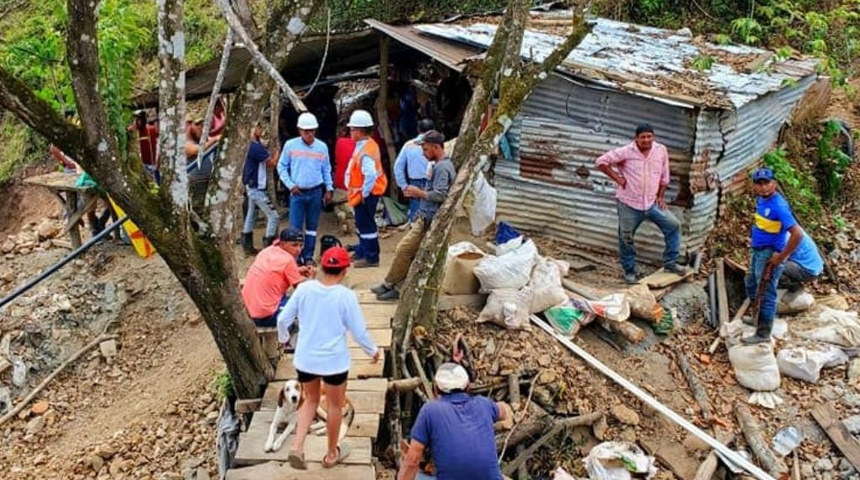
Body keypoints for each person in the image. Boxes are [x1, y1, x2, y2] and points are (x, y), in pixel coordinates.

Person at [276, 246, 381, 469]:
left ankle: (297, 447)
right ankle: (332, 453)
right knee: (334, 406)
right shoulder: (346, 297)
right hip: (334, 363)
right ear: (345, 271)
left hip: (306, 360)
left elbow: (283, 319)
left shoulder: (304, 289)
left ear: (322, 267)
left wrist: (284, 339)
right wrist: (373, 351)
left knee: (311, 400)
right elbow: (359, 331)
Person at [596, 124, 689, 284]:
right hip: (629, 204)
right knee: (626, 237)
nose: (646, 140)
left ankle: (671, 263)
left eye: (649, 136)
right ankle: (630, 271)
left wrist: (660, 196)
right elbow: (601, 161)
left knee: (673, 225)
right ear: (636, 138)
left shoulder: (660, 150)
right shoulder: (626, 151)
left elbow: (664, 176)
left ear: (653, 137)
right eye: (643, 137)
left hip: (652, 203)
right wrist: (617, 178)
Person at [372, 130, 456, 300]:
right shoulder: (437, 165)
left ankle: (392, 284)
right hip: (424, 216)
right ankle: (394, 285)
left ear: (436, 147)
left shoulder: (442, 167)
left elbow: (440, 195)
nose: (423, 154)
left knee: (404, 250)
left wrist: (420, 193)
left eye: (425, 150)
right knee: (408, 252)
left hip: (429, 220)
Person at [397, 363, 512, 480]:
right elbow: (505, 409)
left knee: (416, 475)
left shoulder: (430, 410)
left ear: (436, 389)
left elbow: (413, 461)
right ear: (468, 387)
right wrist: (508, 418)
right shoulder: (484, 404)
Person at [743, 167, 803, 344]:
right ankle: (757, 318)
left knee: (767, 292)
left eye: (766, 183)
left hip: (770, 253)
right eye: (759, 184)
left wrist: (782, 256)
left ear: (774, 183)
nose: (763, 187)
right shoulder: (762, 200)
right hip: (757, 250)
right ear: (754, 186)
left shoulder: (778, 206)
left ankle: (763, 333)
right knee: (751, 283)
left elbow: (797, 233)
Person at [277, 112, 333, 266]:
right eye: (306, 131)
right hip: (297, 193)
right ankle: (294, 258)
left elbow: (326, 169)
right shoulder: (291, 145)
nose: (309, 134)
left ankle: (308, 255)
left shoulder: (321, 147)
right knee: (295, 228)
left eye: (312, 131)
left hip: (315, 191)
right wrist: (290, 184)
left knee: (312, 227)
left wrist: (329, 188)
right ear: (299, 130)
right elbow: (281, 166)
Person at [242, 228, 315, 327]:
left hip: (246, 312)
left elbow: (273, 271)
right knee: (308, 307)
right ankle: (288, 339)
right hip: (264, 317)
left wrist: (296, 270)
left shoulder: (266, 251)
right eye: (294, 245)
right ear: (283, 244)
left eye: (301, 245)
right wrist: (312, 278)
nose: (298, 250)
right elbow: (303, 293)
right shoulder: (288, 260)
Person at [344, 109, 388, 268]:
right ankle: (363, 251)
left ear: (360, 131)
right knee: (362, 225)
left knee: (366, 225)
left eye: (352, 129)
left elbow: (370, 175)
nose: (350, 131)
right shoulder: (366, 145)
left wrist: (364, 193)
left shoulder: (366, 150)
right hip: (362, 193)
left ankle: (371, 257)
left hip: (365, 194)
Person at [242, 123, 280, 255]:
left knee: (251, 215)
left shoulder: (250, 145)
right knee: (273, 216)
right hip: (256, 187)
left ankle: (247, 245)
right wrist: (277, 154)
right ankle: (269, 246)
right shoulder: (255, 147)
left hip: (251, 185)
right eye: (259, 127)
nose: (261, 130)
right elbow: (271, 163)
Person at [394, 119, 436, 223]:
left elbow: (398, 167)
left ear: (418, 129)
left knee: (416, 218)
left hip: (414, 183)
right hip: (432, 182)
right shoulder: (435, 145)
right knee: (432, 215)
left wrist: (404, 186)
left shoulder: (408, 145)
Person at [185, 115, 222, 212]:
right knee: (199, 209)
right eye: (197, 125)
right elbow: (196, 150)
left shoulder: (200, 140)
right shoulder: (185, 142)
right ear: (188, 126)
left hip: (207, 180)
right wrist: (215, 139)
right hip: (197, 182)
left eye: (201, 126)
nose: (200, 128)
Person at [780, 228, 824, 294]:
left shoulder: (786, 236)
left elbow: (780, 258)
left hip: (808, 270)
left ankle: (791, 286)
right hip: (813, 267)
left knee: (773, 266)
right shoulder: (791, 227)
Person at [127, 110, 160, 184]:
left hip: (151, 165)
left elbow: (160, 144)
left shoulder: (151, 130)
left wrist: (157, 163)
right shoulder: (132, 132)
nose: (136, 122)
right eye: (135, 120)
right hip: (139, 165)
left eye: (138, 119)